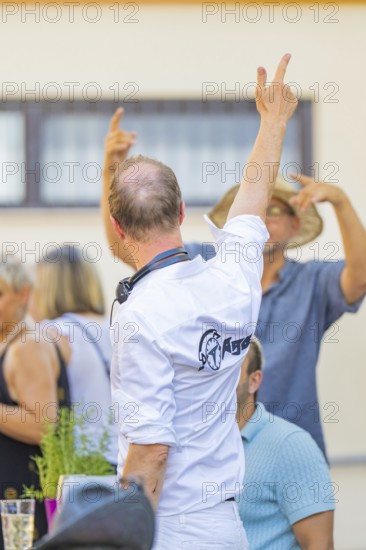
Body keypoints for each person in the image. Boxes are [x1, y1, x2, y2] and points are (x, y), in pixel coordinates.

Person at [106, 54, 298, 549]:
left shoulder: (141, 314)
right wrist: (273, 122)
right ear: (183, 210)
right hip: (226, 527)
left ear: (121, 231)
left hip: (167, 524)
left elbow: (151, 452)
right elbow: (253, 198)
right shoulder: (232, 278)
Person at [202, 174, 366, 457]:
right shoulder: (208, 273)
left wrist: (341, 201)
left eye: (274, 210)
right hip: (215, 450)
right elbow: (136, 249)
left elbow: (360, 277)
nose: (263, 220)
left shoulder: (312, 281)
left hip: (295, 450)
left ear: (295, 224)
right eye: (255, 212)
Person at [236, 337, 335, 550]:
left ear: (254, 381)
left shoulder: (291, 445)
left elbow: (320, 544)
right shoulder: (201, 444)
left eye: (233, 369)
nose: (219, 378)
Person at [0, 258, 70, 548]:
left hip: (23, 505)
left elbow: (42, 424)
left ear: (24, 294)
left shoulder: (27, 346)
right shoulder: (14, 340)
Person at [28, 245, 119, 467]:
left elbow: (41, 419)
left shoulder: (51, 333)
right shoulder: (116, 326)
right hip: (123, 458)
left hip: (79, 462)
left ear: (47, 290)